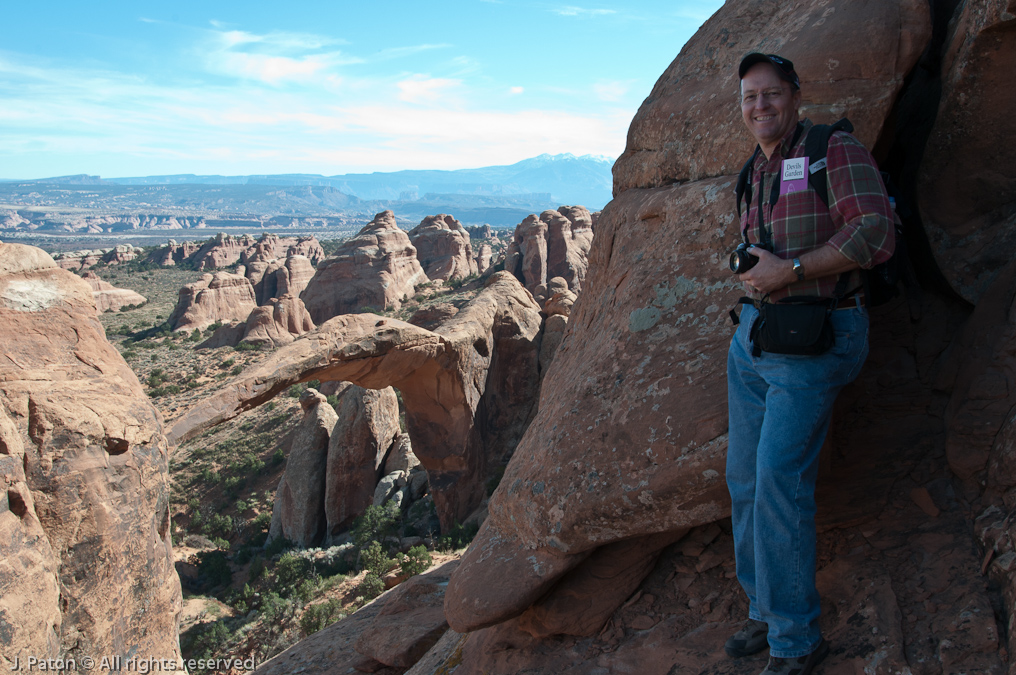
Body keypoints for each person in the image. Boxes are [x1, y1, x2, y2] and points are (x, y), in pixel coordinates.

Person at [724, 53, 894, 675]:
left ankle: (795, 641)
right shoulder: (752, 172)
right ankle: (766, 609)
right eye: (749, 97)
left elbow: (876, 233)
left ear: (795, 96)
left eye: (771, 94)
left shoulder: (834, 150)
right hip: (756, 337)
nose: (760, 106)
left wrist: (791, 270)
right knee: (744, 480)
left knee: (777, 483)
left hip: (818, 335)